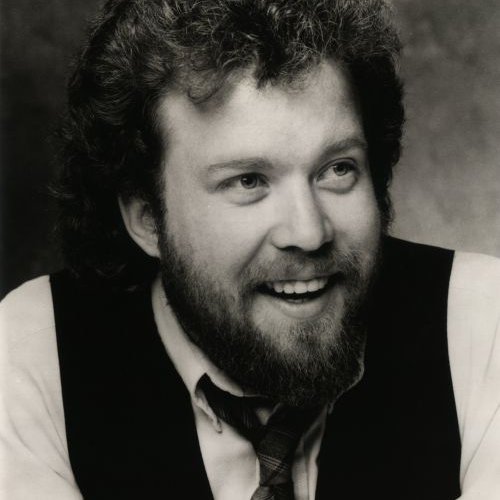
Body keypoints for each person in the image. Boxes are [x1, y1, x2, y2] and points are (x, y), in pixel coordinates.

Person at [1, 0, 499, 498]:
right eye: (248, 181)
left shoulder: (479, 318)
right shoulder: (34, 353)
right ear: (147, 217)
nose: (309, 233)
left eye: (337, 169)